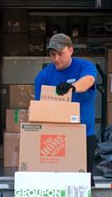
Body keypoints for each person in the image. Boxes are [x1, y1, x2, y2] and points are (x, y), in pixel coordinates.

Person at [34, 33, 98, 180]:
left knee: (82, 184)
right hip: (54, 140)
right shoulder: (43, 76)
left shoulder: (84, 66)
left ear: (70, 50)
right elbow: (40, 109)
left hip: (84, 135)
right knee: (57, 182)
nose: (56, 59)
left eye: (60, 54)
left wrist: (72, 87)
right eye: (52, 54)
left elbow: (88, 80)